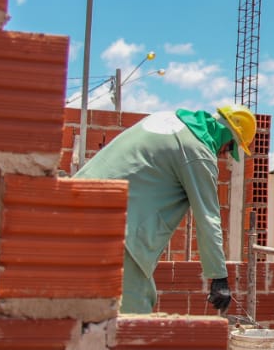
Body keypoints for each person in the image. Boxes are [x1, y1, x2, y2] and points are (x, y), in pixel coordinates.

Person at [74, 104, 256, 314]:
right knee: (132, 314)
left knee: (75, 309)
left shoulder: (165, 119)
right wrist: (219, 278)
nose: (224, 155)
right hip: (117, 230)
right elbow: (208, 217)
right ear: (227, 136)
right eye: (228, 148)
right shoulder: (198, 151)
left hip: (74, 206)